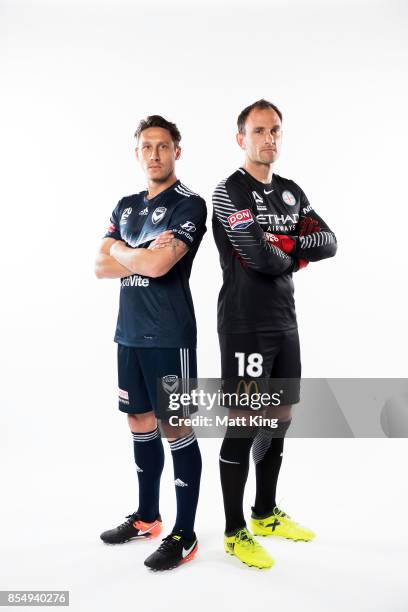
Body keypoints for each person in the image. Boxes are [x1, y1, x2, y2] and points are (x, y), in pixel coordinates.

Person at [212, 99, 337, 569]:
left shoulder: (290, 191)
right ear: (240, 137)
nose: (270, 139)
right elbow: (259, 259)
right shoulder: (228, 192)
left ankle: (264, 513)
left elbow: (329, 241)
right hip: (245, 325)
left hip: (285, 322)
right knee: (244, 424)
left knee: (279, 417)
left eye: (276, 130)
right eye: (260, 130)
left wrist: (282, 245)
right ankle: (233, 530)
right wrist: (288, 251)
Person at [95, 114, 207, 571]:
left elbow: (161, 267)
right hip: (129, 334)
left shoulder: (190, 205)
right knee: (139, 419)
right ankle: (147, 518)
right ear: (136, 152)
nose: (155, 154)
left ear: (177, 151)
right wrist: (133, 253)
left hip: (169, 335)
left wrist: (122, 251)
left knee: (175, 426)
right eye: (147, 146)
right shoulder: (125, 205)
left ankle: (185, 533)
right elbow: (100, 266)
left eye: (163, 146)